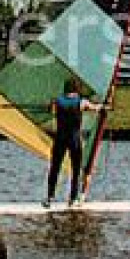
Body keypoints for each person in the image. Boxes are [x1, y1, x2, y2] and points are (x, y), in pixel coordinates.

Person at [45, 77, 107, 207]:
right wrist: (103, 107)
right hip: (74, 140)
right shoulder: (81, 102)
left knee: (55, 168)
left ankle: (49, 198)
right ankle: (72, 199)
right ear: (77, 89)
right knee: (76, 169)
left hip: (60, 139)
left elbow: (50, 109)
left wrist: (50, 106)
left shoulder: (57, 101)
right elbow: (95, 108)